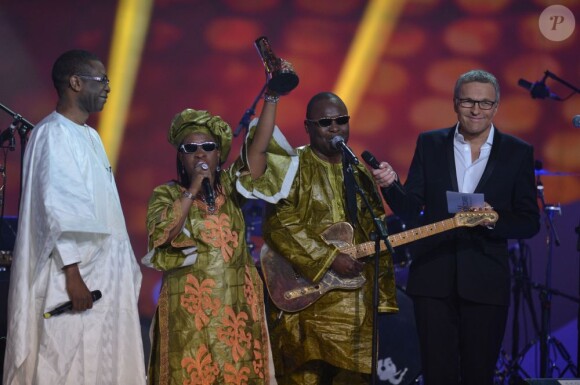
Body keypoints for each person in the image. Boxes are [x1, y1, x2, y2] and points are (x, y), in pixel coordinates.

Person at [370, 69, 540, 385]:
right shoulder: (430, 143)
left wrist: (495, 219)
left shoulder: (517, 152)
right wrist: (391, 185)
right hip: (434, 278)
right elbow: (410, 207)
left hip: (486, 281)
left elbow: (529, 221)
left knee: (478, 374)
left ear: (496, 106)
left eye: (485, 103)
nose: (476, 110)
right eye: (468, 102)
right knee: (438, 374)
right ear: (455, 103)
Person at [3, 49, 146, 384]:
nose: (109, 88)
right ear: (75, 82)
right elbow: (58, 210)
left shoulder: (90, 136)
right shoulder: (53, 134)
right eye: (103, 80)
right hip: (71, 282)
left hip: (101, 281)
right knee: (66, 363)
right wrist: (73, 274)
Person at [142, 84, 298, 384]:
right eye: (190, 148)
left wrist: (271, 97)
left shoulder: (232, 187)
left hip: (235, 308)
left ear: (218, 153)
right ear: (180, 156)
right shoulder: (166, 194)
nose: (200, 153)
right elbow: (162, 234)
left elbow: (260, 148)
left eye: (208, 147)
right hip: (190, 313)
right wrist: (191, 191)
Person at [261, 92, 398, 385]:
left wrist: (383, 298)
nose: (335, 128)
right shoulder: (292, 166)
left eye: (341, 120)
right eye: (325, 122)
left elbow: (377, 232)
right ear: (308, 126)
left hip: (355, 308)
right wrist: (329, 258)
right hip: (305, 300)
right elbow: (278, 222)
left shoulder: (359, 171)